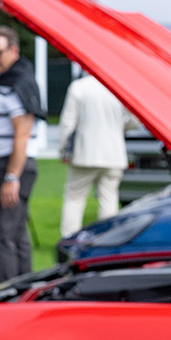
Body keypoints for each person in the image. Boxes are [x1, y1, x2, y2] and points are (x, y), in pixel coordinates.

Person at [0, 26, 44, 283]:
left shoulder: (15, 84)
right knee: (15, 233)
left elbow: (22, 134)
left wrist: (12, 177)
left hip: (10, 166)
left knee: (1, 235)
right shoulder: (6, 81)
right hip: (6, 164)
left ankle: (8, 295)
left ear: (13, 50)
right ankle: (24, 291)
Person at [57, 67, 128, 237]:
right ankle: (108, 240)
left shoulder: (79, 87)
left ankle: (69, 240)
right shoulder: (118, 87)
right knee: (109, 198)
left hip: (84, 154)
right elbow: (132, 120)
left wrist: (63, 149)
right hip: (114, 154)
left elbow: (68, 122)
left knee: (74, 199)